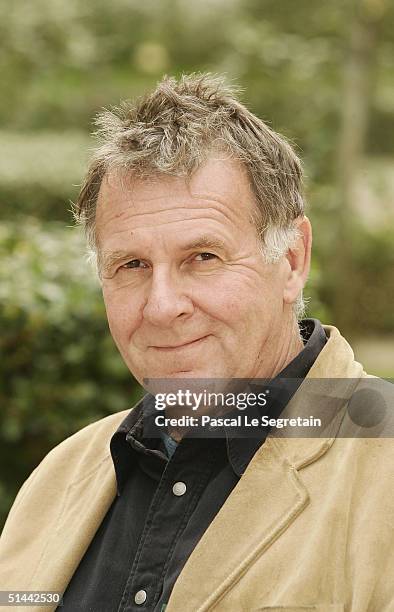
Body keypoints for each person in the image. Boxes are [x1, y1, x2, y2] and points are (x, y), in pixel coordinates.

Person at [0, 73, 393, 612]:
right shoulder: (58, 478)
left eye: (203, 258)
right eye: (132, 265)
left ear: (293, 260)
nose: (163, 306)